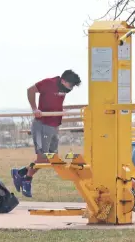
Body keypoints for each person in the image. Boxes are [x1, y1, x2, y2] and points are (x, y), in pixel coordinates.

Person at [11, 69, 82, 197]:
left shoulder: (63, 88)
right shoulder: (49, 83)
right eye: (70, 85)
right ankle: (27, 179)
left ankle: (20, 173)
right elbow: (30, 90)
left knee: (51, 158)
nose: (70, 89)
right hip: (42, 124)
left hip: (54, 125)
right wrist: (34, 108)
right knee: (42, 158)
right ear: (63, 80)